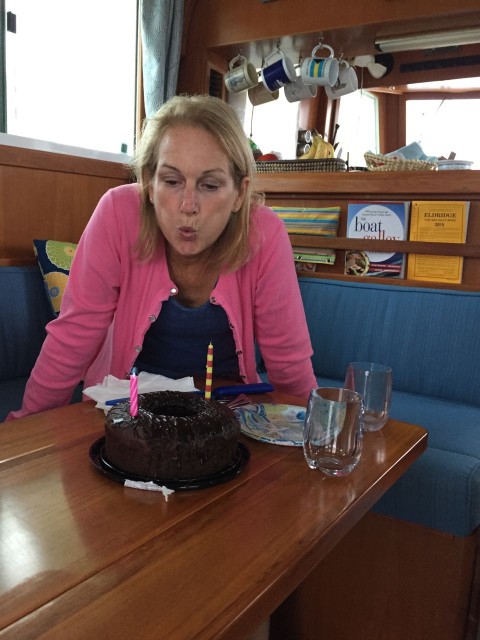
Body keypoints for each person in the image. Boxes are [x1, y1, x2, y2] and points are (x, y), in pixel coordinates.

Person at [6, 94, 316, 421]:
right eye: (171, 181)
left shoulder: (265, 235)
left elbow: (289, 364)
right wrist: (23, 434)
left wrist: (317, 436)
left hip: (229, 415)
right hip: (126, 409)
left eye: (210, 185)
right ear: (149, 184)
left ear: (239, 192)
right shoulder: (117, 213)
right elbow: (72, 338)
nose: (188, 205)